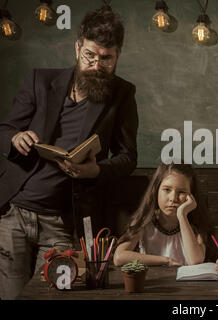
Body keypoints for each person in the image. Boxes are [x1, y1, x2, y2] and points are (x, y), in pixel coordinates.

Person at [0, 6, 138, 299]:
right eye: (90, 55)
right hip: (15, 212)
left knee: (51, 296)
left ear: (117, 56)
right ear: (77, 48)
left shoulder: (123, 94)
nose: (97, 65)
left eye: (106, 58)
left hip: (64, 222)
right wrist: (16, 138)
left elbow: (128, 158)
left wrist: (95, 170)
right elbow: (5, 128)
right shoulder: (40, 80)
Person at [114, 162, 210, 267]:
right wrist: (165, 260)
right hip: (155, 282)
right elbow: (119, 257)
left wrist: (182, 216)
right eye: (167, 190)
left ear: (191, 196)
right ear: (156, 191)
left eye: (181, 192)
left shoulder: (195, 224)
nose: (173, 198)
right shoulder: (145, 221)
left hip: (186, 283)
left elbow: (195, 260)